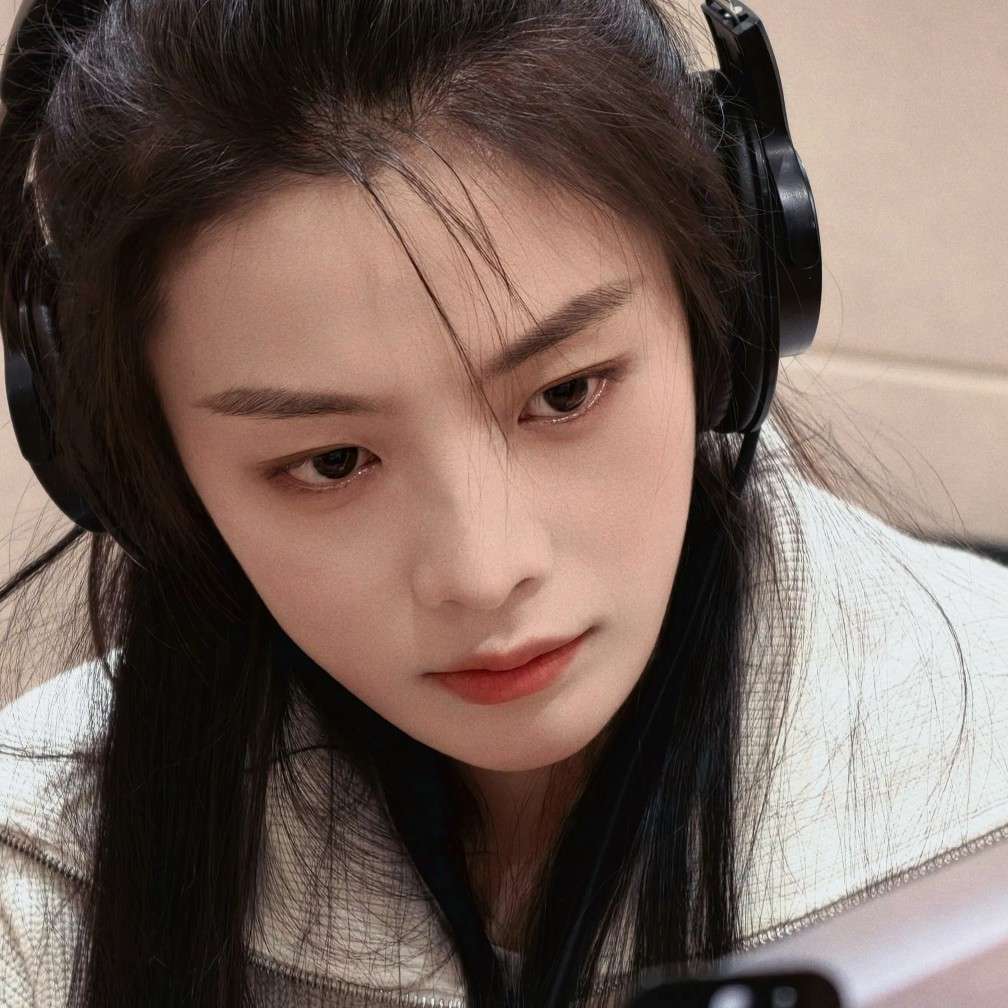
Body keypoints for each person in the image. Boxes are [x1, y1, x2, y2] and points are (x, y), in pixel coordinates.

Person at [0, 1, 1005, 1007]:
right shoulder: (33, 883)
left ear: (723, 325)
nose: (485, 573)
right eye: (332, 462)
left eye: (565, 395)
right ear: (143, 471)